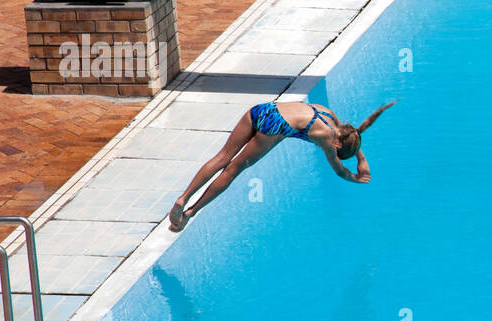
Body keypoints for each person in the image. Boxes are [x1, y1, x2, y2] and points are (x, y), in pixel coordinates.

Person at [168, 99, 396, 232]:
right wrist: (357, 177)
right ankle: (190, 212)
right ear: (337, 145)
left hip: (263, 109)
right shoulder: (328, 139)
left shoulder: (332, 117)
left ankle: (184, 196)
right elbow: (339, 171)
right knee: (233, 168)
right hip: (274, 125)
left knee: (222, 156)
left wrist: (361, 158)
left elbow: (352, 135)